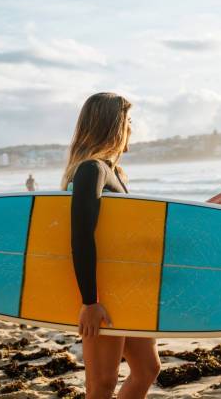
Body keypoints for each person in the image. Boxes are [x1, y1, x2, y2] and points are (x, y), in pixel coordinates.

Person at [60, 92, 160, 398]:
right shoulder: (92, 169)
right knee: (101, 384)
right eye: (128, 121)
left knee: (147, 369)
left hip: (126, 288)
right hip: (103, 292)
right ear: (113, 125)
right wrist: (90, 301)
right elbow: (81, 235)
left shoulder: (115, 172)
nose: (132, 128)